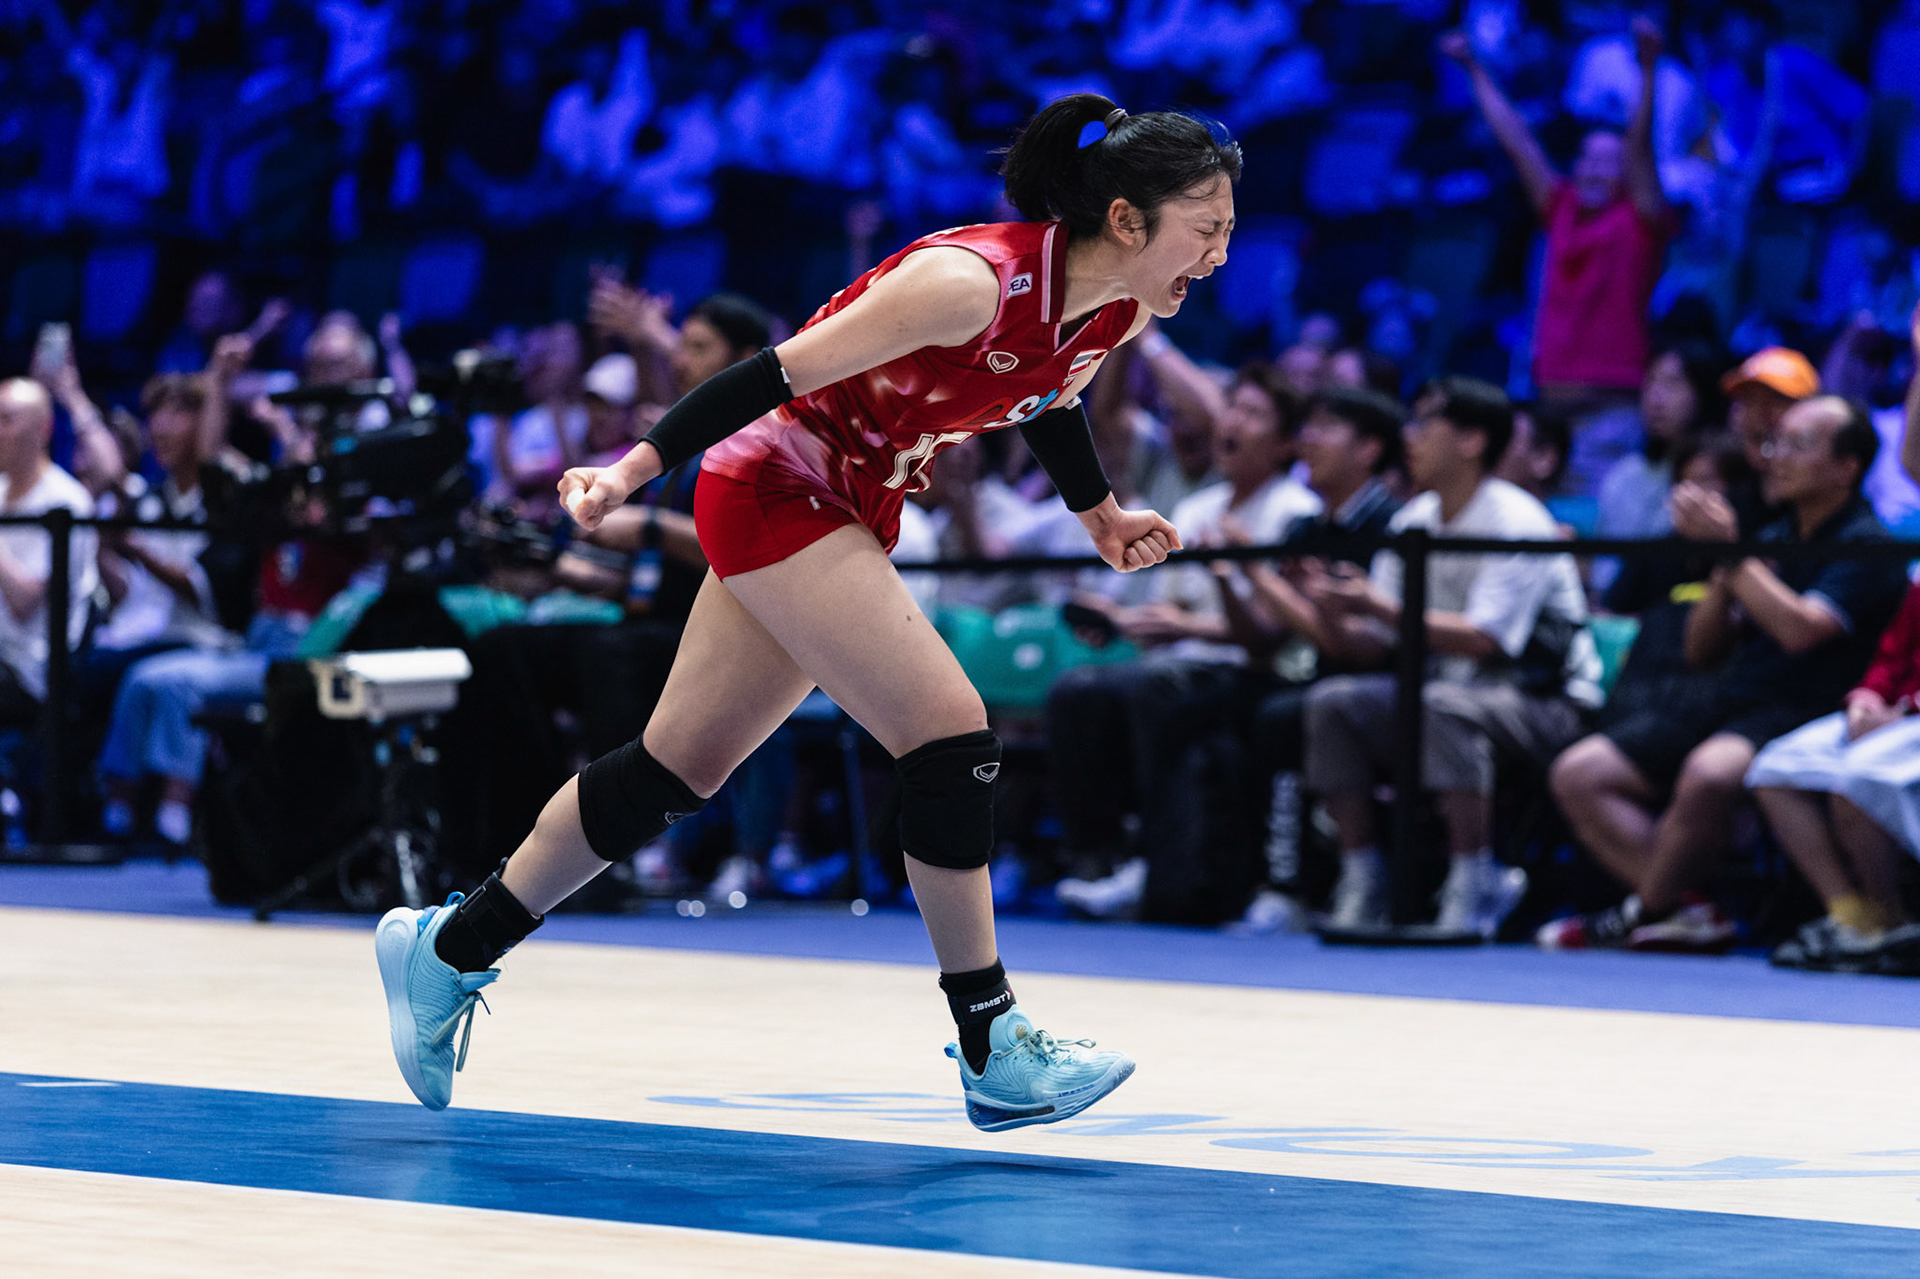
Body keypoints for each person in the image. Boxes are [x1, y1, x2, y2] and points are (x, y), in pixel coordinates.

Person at [377, 94, 1237, 1129]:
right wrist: (631, 469)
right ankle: (990, 1040)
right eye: (1209, 229)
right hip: (777, 481)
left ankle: (447, 947)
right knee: (950, 733)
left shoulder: (1120, 307)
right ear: (1129, 221)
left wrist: (1097, 511)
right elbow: (770, 372)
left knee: (671, 769)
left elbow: (1047, 396)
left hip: (857, 502)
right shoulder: (964, 283)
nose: (1222, 255)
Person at [1543, 396, 1908, 951]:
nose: (1776, 457)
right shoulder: (1775, 535)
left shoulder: (1866, 544)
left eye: (1798, 445)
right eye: (1774, 443)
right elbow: (1701, 651)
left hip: (1804, 705)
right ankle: (1685, 908)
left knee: (1709, 775)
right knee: (1580, 772)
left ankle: (1639, 911)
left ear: (1846, 467)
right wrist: (1724, 564)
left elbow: (1801, 630)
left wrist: (1734, 553)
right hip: (1728, 695)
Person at [1302, 377, 1597, 936]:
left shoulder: (1516, 520)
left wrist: (1377, 606)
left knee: (1443, 705)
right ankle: (1363, 877)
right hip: (1446, 688)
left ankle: (1475, 880)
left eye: (1424, 425)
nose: (1408, 438)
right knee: (1334, 703)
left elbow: (1487, 639)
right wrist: (1334, 609)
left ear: (1472, 440)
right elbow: (1376, 644)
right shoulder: (1413, 520)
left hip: (1546, 699)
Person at [1442, 20, 1671, 414]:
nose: (1595, 169)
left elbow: (1641, 147)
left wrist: (1647, 71)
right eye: (1588, 159)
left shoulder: (1640, 220)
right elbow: (1517, 140)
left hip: (1613, 406)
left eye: (1609, 162)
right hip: (1548, 399)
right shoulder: (1561, 205)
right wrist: (1473, 68)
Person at [1747, 578, 1920, 974]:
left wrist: (1906, 711)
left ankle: (1890, 921)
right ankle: (1852, 915)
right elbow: (1893, 654)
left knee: (1859, 776)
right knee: (1775, 767)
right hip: (1890, 714)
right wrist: (1867, 699)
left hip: (1909, 716)